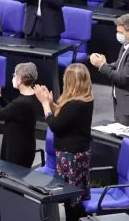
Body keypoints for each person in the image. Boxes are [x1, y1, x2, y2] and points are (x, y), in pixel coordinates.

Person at [34, 63, 94, 221]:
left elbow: (55, 125)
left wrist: (45, 104)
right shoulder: (83, 100)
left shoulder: (75, 104)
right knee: (74, 198)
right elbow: (64, 117)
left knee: (71, 200)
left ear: (71, 82)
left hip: (72, 157)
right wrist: (51, 103)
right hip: (76, 154)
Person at [89, 13, 129, 127]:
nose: (118, 35)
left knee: (125, 141)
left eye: (121, 32)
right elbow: (119, 64)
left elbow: (122, 79)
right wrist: (105, 63)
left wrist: (102, 66)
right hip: (121, 103)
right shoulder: (127, 44)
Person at [0, 62, 43, 167]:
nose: (13, 77)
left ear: (20, 79)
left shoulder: (21, 102)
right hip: (22, 144)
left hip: (17, 150)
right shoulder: (31, 97)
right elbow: (11, 112)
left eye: (15, 75)